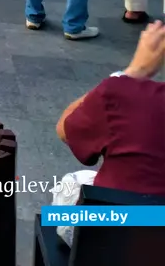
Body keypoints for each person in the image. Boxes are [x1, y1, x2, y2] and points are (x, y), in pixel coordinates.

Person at [56, 20, 165, 195]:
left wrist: (132, 73)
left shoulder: (126, 97)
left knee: (71, 184)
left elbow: (65, 129)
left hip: (116, 219)